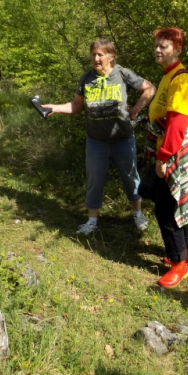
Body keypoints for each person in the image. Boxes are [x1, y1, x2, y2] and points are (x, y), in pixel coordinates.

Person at [43, 39, 155, 235]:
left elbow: (149, 88)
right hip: (96, 141)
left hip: (123, 139)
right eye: (93, 54)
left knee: (131, 178)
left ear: (111, 56)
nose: (96, 58)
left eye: (100, 54)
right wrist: (55, 107)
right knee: (94, 180)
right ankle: (92, 221)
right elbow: (77, 106)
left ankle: (138, 215)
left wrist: (136, 109)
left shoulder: (122, 74)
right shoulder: (87, 78)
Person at [146, 27, 188, 289]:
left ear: (178, 50)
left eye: (164, 46)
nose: (158, 50)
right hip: (176, 149)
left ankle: (178, 263)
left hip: (176, 152)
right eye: (157, 45)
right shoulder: (168, 76)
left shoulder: (182, 81)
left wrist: (162, 158)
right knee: (182, 199)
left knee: (166, 208)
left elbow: (176, 126)